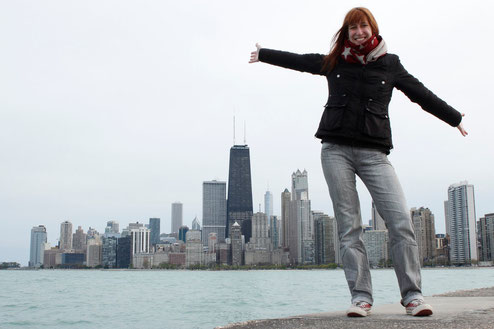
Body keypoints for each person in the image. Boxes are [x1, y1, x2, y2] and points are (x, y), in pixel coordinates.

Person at [249, 7, 467, 317]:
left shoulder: (390, 64)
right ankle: (361, 297)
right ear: (346, 32)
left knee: (400, 222)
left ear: (372, 29)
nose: (358, 32)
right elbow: (301, 61)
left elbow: (421, 93)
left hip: (375, 154)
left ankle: (413, 296)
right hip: (335, 150)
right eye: (352, 28)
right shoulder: (335, 61)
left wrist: (454, 118)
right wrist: (265, 54)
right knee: (349, 228)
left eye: (363, 26)